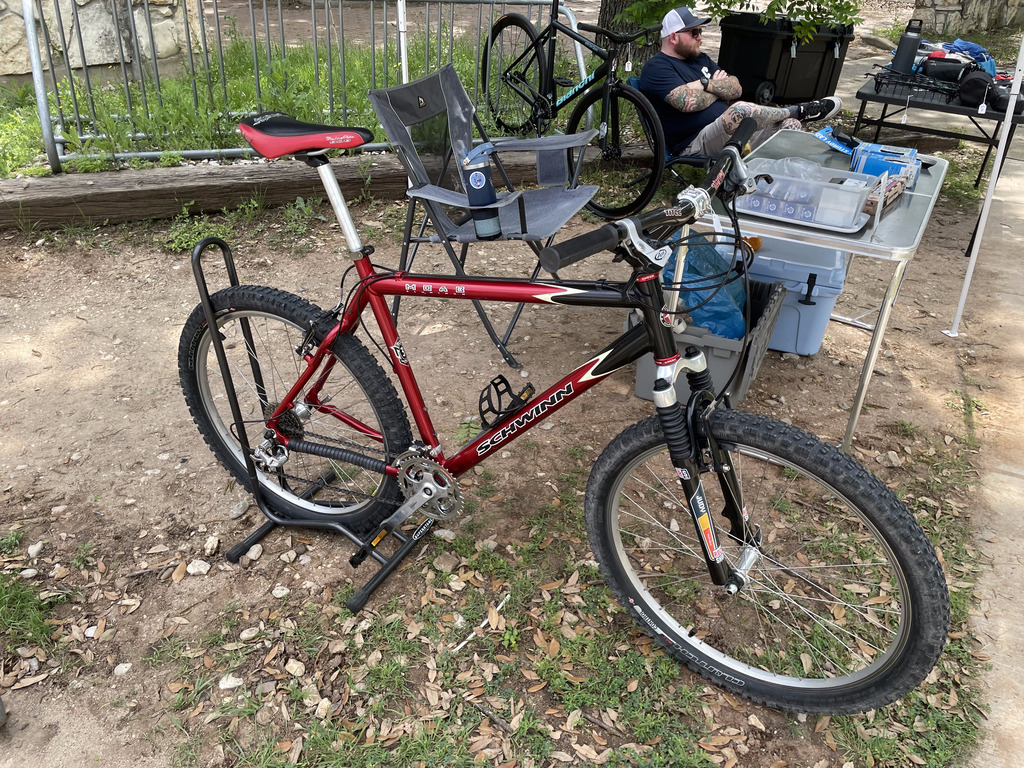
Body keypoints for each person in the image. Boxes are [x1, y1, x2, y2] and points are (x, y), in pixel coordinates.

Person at [638, 6, 842, 157]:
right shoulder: (657, 67)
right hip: (696, 142)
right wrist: (718, 88)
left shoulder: (700, 59)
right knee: (740, 110)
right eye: (695, 32)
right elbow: (687, 102)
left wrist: (705, 84)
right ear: (673, 37)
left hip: (735, 133)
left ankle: (760, 174)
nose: (700, 37)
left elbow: (735, 87)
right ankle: (800, 110)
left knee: (790, 125)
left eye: (700, 31)